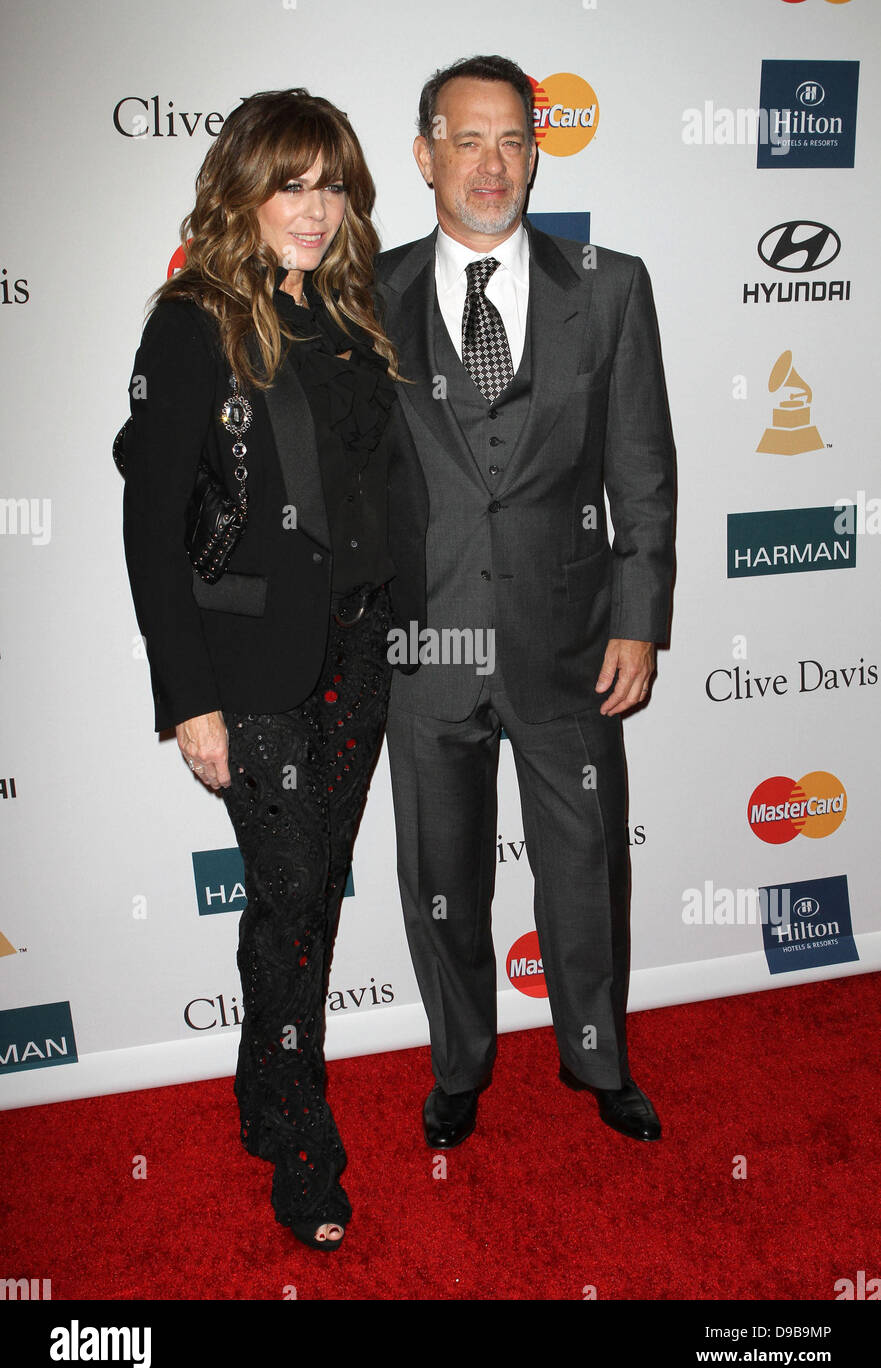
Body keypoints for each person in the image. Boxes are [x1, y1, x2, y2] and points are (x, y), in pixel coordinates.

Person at [122, 88, 426, 1248]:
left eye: (332, 182)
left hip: (358, 648)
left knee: (301, 896)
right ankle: (302, 1134)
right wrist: (185, 695)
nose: (314, 207)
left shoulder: (351, 314)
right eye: (290, 181)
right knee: (295, 893)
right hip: (248, 665)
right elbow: (151, 525)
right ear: (241, 189)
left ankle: (263, 1088)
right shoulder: (193, 323)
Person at [376, 55, 676, 1150]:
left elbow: (640, 466)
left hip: (570, 646)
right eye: (465, 139)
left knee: (586, 871)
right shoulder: (366, 296)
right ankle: (459, 1065)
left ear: (534, 154)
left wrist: (639, 615)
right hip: (425, 647)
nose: (489, 163)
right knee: (440, 882)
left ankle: (597, 1059)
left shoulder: (608, 286)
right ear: (425, 156)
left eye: (510, 139)